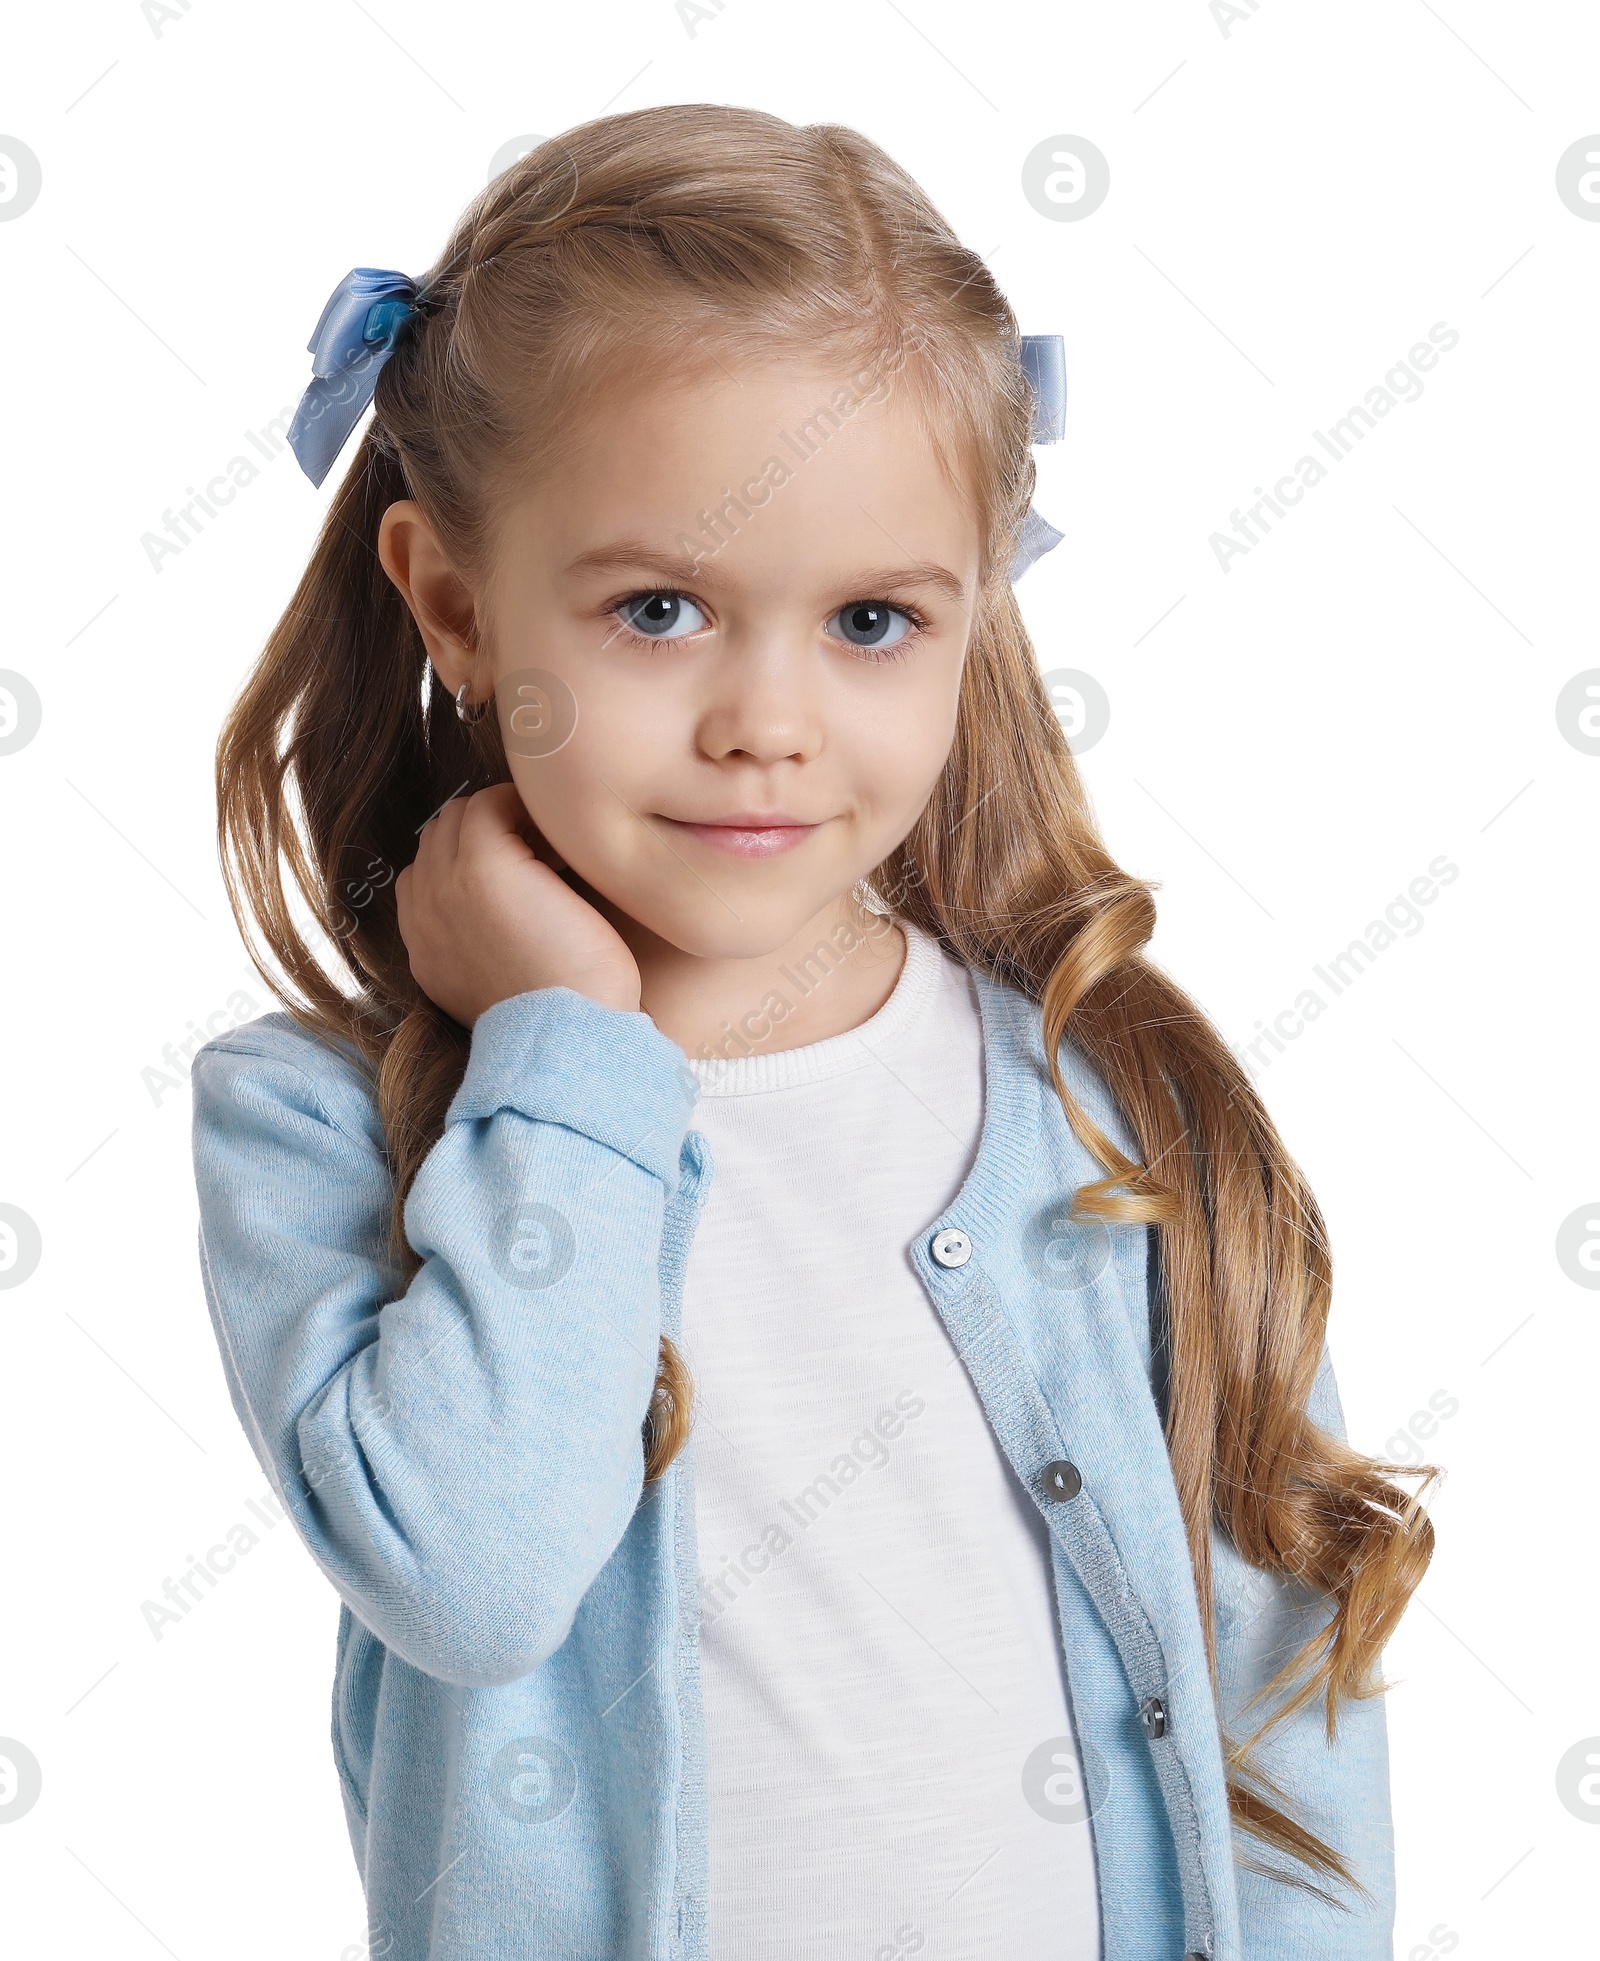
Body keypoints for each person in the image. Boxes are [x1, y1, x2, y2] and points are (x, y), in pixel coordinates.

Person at [191, 103, 1435, 1961]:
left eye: (869, 619)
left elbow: (1284, 1685)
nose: (766, 720)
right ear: (455, 603)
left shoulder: (1109, 1109)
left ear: (974, 618)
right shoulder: (319, 1129)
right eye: (661, 609)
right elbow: (478, 1570)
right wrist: (565, 1047)